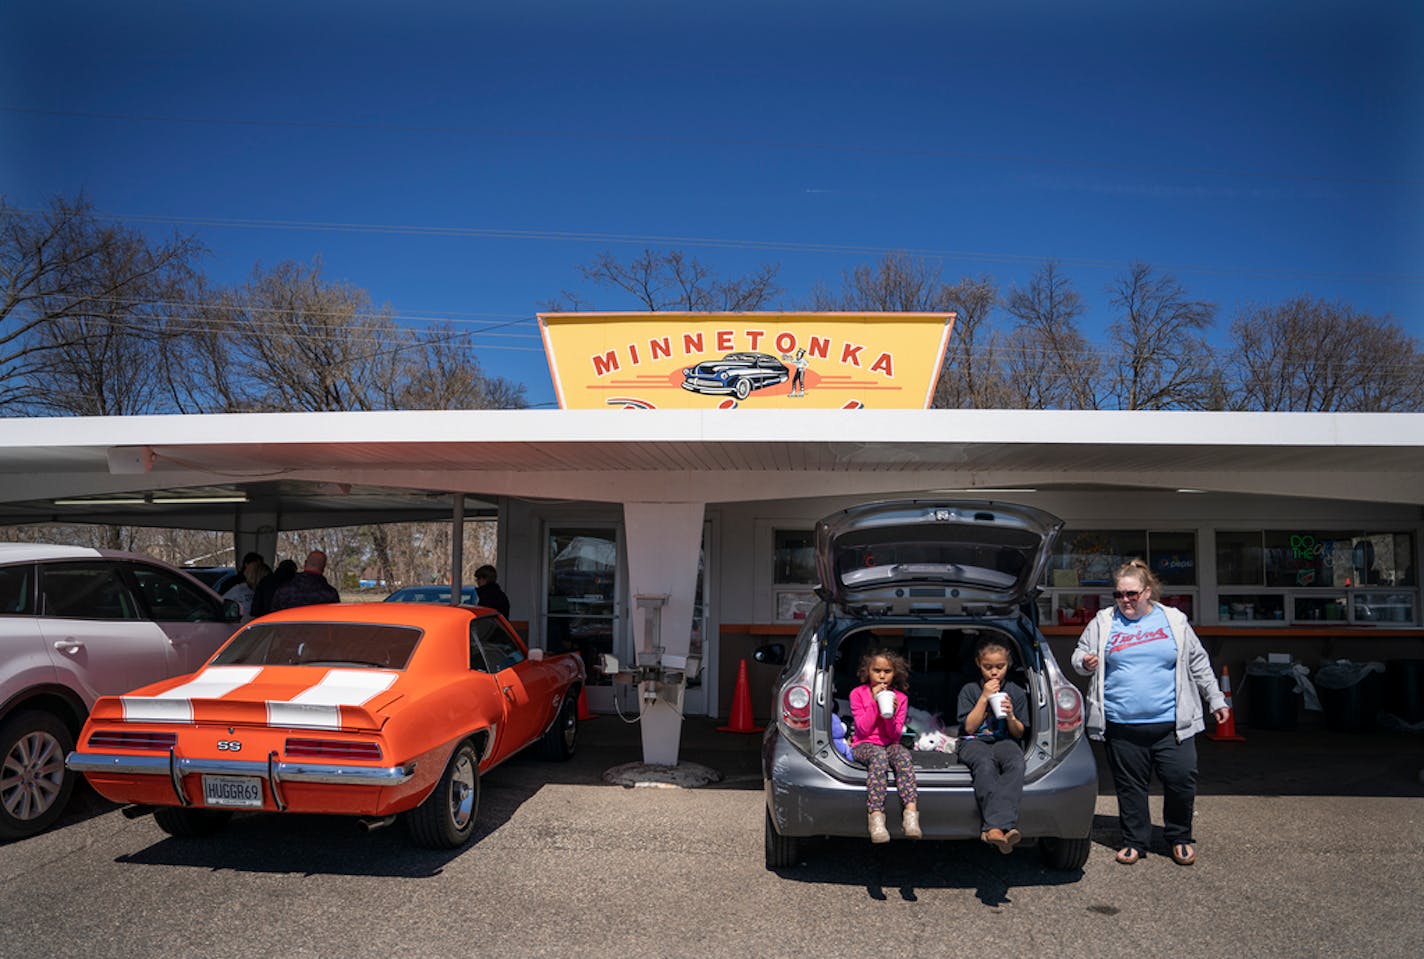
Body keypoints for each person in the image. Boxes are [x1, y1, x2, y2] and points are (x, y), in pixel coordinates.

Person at [1072, 558, 1229, 866]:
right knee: (1130, 787)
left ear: (1147, 592)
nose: (1124, 600)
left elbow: (1198, 663)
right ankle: (1134, 841)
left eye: (1131, 594)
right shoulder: (1104, 621)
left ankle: (1179, 836)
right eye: (1119, 594)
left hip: (1172, 724)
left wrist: (1217, 700)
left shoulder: (1173, 620)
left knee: (1181, 780)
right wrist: (1084, 662)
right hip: (1122, 724)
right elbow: (1079, 654)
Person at [956, 635, 1029, 853]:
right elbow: (969, 727)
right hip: (973, 741)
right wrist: (984, 698)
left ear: (1008, 665)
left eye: (1000, 666)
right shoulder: (969, 690)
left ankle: (993, 829)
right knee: (985, 764)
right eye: (988, 667)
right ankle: (1000, 828)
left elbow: (1019, 732)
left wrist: (1011, 717)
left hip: (1003, 740)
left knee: (1016, 762)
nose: (994, 672)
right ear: (979, 664)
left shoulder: (1015, 691)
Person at [848, 648, 921, 843]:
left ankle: (911, 815)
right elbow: (862, 730)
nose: (881, 676)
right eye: (876, 670)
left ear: (894, 673)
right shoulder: (858, 694)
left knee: (904, 756)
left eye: (887, 671)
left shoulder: (900, 698)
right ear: (867, 671)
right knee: (879, 757)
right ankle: (876, 817)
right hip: (864, 744)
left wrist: (889, 714)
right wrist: (874, 703)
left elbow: (895, 734)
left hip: (889, 743)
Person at [270, 550, 341, 612]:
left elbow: (273, 617)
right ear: (323, 567)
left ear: (305, 563)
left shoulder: (284, 589)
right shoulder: (330, 594)